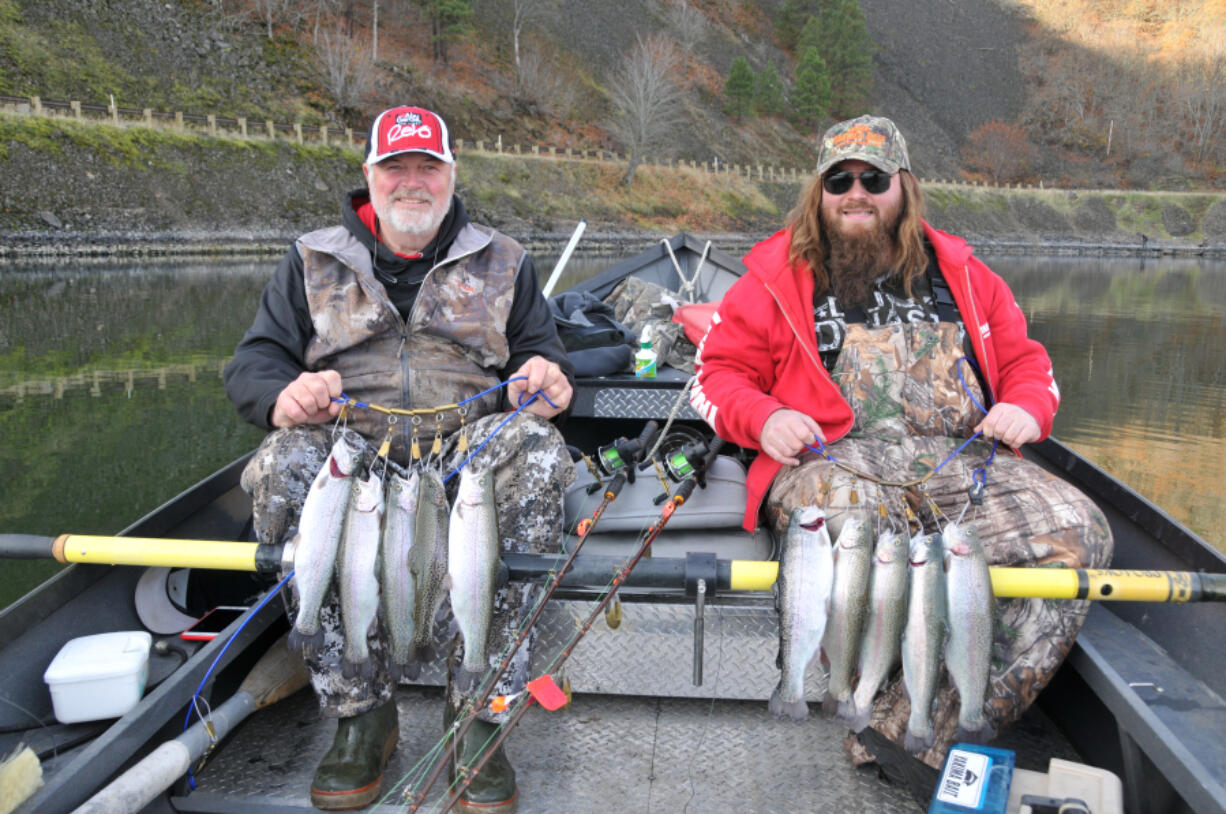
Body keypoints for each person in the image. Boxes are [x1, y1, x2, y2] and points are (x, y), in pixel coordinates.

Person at [689, 115, 1112, 769]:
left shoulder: (969, 277)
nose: (855, 192)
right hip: (833, 460)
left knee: (1081, 533)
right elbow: (715, 375)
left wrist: (1027, 407)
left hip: (961, 458)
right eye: (839, 179)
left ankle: (911, 734)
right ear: (819, 192)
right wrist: (764, 418)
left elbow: (1031, 364)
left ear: (904, 188)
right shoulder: (773, 279)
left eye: (873, 178)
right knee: (863, 532)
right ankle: (854, 689)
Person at [223, 104, 575, 812]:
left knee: (537, 452)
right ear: (369, 177)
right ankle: (361, 714)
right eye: (396, 168)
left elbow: (546, 354)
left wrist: (548, 379)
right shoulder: (311, 258)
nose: (412, 182)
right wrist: (284, 394)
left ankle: (479, 711)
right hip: (350, 442)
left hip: (467, 446)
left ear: (450, 174)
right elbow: (253, 363)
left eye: (427, 167)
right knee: (282, 462)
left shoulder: (505, 258)